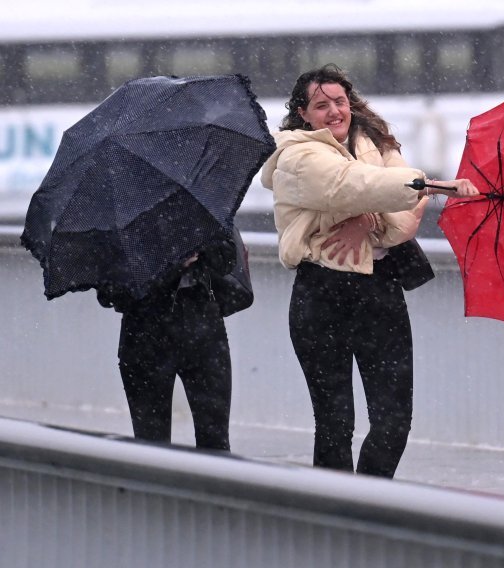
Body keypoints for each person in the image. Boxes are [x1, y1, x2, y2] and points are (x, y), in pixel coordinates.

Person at [261, 64, 478, 478]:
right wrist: (428, 186)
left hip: (379, 291)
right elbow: (351, 184)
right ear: (303, 114)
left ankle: (369, 499)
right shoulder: (296, 156)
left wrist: (370, 223)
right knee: (335, 423)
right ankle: (335, 516)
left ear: (351, 103)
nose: (334, 112)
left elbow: (402, 222)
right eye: (321, 105)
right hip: (321, 293)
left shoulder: (375, 141)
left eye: (339, 102)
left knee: (394, 419)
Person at [97, 235, 240, 452]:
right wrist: (171, 264)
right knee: (152, 446)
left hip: (203, 332)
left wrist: (201, 240)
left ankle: (208, 486)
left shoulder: (199, 207)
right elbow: (109, 293)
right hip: (145, 339)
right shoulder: (120, 220)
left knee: (215, 443)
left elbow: (227, 259)